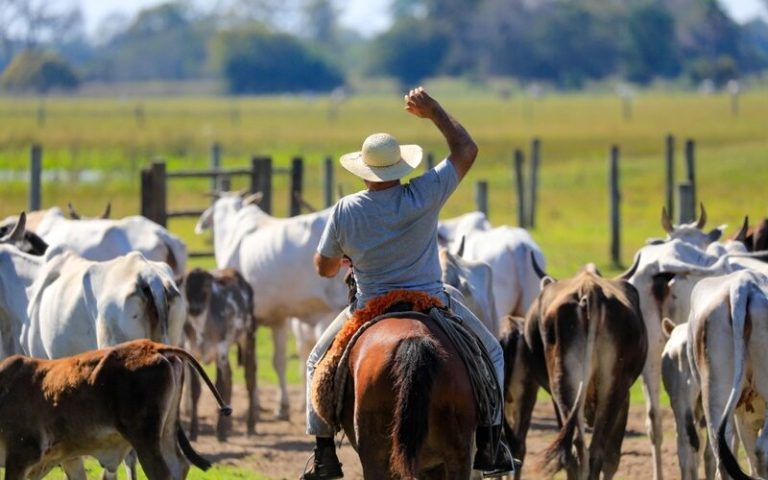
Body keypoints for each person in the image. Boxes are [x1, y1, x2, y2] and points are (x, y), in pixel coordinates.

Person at [302, 87, 514, 479]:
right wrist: (434, 112)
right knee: (492, 354)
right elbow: (466, 150)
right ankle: (492, 442)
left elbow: (324, 268)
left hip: (369, 306)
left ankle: (324, 454)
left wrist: (344, 258)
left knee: (317, 362)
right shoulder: (425, 191)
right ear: (399, 167)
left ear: (363, 171)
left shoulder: (347, 209)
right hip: (431, 301)